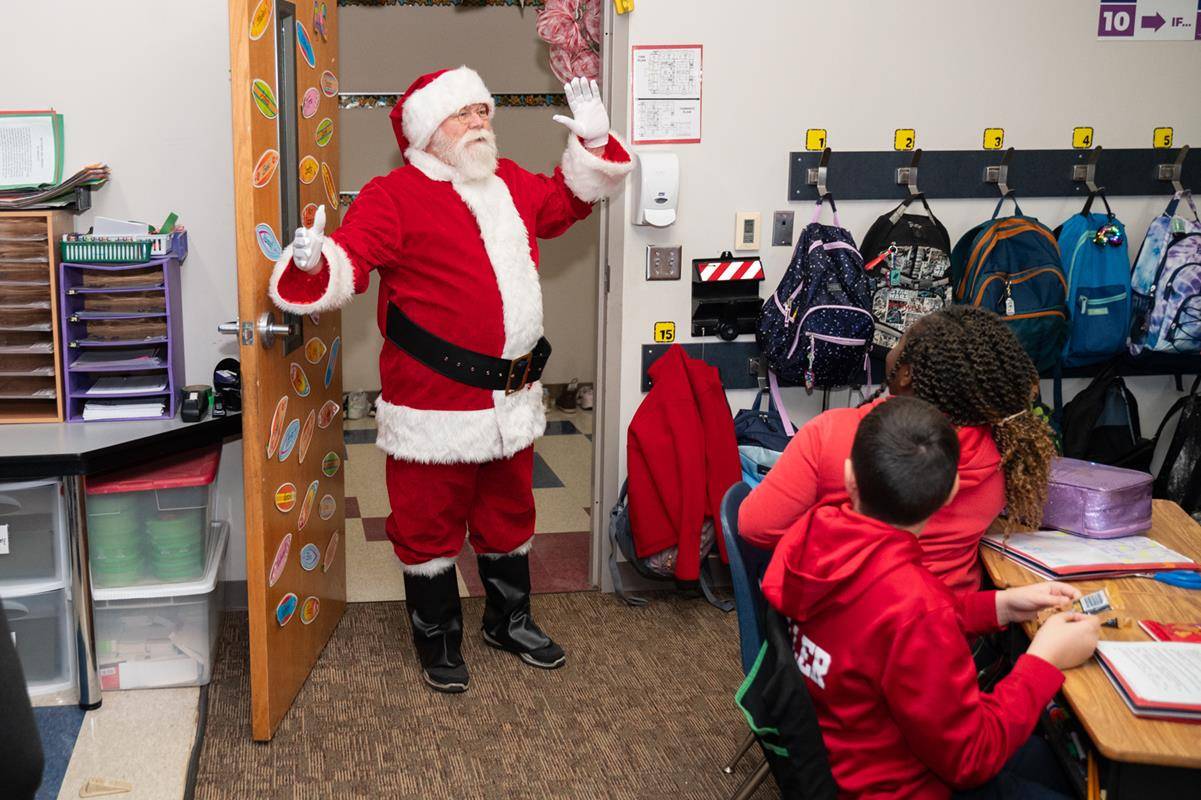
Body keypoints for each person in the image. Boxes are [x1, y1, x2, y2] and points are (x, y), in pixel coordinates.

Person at [268, 67, 633, 693]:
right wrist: (312, 262)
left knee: (510, 512)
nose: (480, 123)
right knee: (428, 524)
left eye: (483, 111)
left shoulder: (510, 182)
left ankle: (508, 619)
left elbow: (567, 202)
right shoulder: (394, 194)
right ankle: (437, 639)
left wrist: (595, 148)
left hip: (511, 398)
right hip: (433, 405)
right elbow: (350, 263)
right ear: (428, 130)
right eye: (464, 113)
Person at [761, 397, 1099, 799]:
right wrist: (1043, 661)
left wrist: (1002, 606)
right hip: (903, 783)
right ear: (951, 492)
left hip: (841, 753)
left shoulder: (814, 537)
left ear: (849, 476)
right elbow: (971, 759)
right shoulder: (914, 604)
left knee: (1049, 762)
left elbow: (880, 624)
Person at [740, 306, 1057, 597]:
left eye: (900, 341)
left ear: (905, 373)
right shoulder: (1002, 450)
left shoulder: (834, 433)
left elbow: (755, 527)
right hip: (952, 626)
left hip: (843, 625)